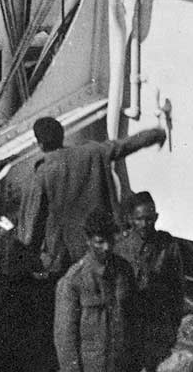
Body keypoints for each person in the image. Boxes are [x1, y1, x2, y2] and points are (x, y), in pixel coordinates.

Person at [18, 116, 167, 277]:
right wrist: (155, 134)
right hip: (105, 246)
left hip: (64, 256)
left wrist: (28, 255)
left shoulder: (42, 173)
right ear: (62, 135)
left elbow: (31, 223)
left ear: (40, 143)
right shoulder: (94, 151)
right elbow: (126, 145)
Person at [55, 209, 135, 372]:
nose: (106, 247)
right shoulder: (73, 281)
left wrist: (130, 357)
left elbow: (131, 317)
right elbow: (64, 334)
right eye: (99, 241)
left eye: (109, 240)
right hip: (86, 364)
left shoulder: (123, 271)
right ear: (89, 240)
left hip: (114, 358)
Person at [116, 191, 185, 372]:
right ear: (129, 219)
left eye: (149, 218)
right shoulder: (121, 249)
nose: (145, 223)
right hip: (130, 325)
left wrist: (173, 323)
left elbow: (177, 287)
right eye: (139, 219)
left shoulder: (167, 245)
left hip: (157, 323)